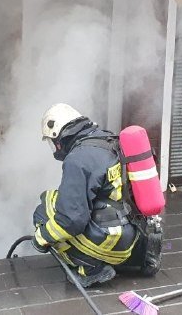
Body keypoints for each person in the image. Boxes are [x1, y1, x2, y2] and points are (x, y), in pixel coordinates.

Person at [31, 103, 140, 287]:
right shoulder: (107, 140)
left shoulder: (78, 159)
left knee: (44, 209)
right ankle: (102, 258)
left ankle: (91, 269)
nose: (55, 148)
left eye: (53, 142)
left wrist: (41, 238)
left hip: (108, 241)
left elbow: (71, 221)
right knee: (56, 198)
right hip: (130, 238)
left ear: (60, 137)